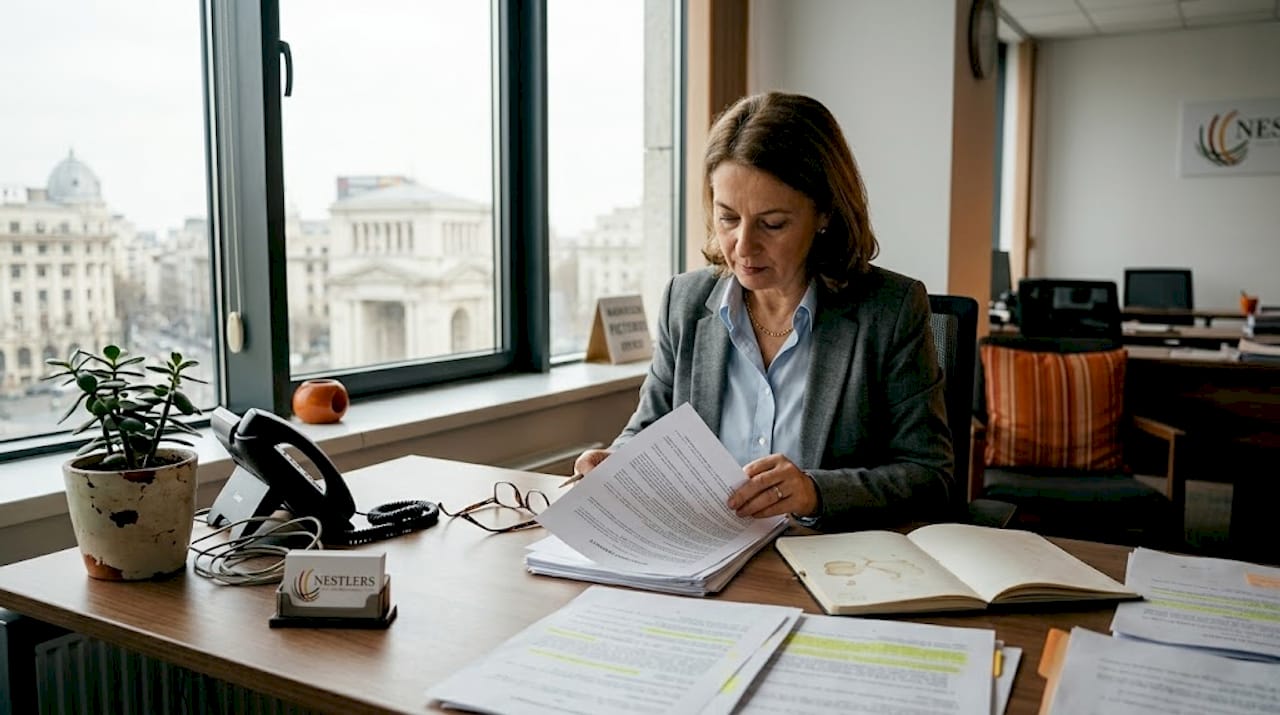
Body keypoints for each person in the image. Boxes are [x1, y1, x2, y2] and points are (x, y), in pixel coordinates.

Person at [573, 91, 954, 531]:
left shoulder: (889, 310)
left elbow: (931, 477)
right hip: (701, 558)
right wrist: (613, 464)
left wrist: (814, 491)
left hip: (824, 566)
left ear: (824, 213)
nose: (743, 246)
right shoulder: (686, 300)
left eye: (773, 224)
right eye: (728, 218)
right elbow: (647, 434)